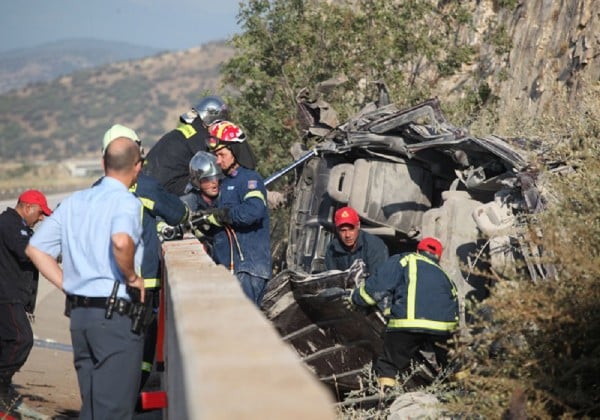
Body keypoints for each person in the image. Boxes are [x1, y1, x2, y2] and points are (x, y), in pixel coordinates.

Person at [26, 132, 146, 419]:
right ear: (137, 166)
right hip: (115, 315)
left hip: (80, 317)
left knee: (91, 407)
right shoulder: (126, 202)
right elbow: (121, 241)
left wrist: (69, 285)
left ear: (103, 163)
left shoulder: (75, 202)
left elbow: (36, 249)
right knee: (113, 410)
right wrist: (132, 277)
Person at [101, 124, 189, 398]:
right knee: (141, 343)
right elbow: (179, 214)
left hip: (105, 285)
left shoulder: (96, 191)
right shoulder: (147, 187)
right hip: (144, 281)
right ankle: (131, 395)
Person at [348, 237, 459, 391]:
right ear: (438, 258)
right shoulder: (444, 275)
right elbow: (455, 304)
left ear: (418, 251)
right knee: (454, 363)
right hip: (443, 329)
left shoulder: (406, 259)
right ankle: (465, 396)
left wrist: (356, 298)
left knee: (389, 364)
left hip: (407, 325)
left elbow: (379, 285)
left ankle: (385, 400)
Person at [203, 120, 271, 306]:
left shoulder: (250, 179)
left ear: (236, 151)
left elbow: (254, 210)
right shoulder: (225, 183)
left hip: (247, 270)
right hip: (231, 270)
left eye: (222, 154)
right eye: (216, 155)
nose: (218, 160)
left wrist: (223, 215)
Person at [0, 190, 51, 412]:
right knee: (22, 339)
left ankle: (4, 387)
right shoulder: (10, 224)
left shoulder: (17, 226)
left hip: (12, 294)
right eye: (40, 213)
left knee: (8, 342)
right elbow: (27, 252)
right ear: (28, 207)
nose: (41, 218)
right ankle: (1, 385)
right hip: (6, 295)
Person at [143, 95, 229, 197]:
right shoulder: (202, 138)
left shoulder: (188, 131)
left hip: (147, 183)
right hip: (166, 187)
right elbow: (212, 167)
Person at [324, 206, 389, 275]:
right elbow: (331, 278)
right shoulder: (332, 248)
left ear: (358, 226)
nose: (347, 235)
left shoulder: (375, 246)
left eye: (351, 229)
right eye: (343, 230)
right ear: (337, 230)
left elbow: (379, 280)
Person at [184, 151, 223, 257]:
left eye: (216, 178)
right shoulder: (188, 202)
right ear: (197, 181)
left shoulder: (225, 194)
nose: (214, 183)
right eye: (207, 179)